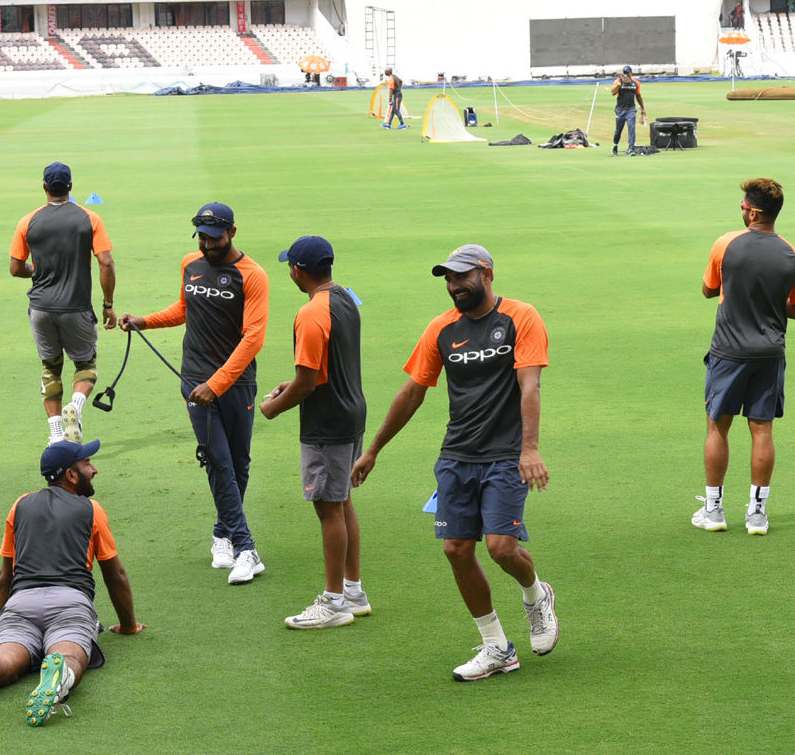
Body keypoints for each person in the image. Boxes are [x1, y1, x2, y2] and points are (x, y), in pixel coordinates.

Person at [350, 245, 558, 681]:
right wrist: (374, 450)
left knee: (501, 547)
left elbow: (530, 386)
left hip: (506, 454)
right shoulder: (442, 329)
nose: (454, 286)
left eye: (461, 277)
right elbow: (412, 392)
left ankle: (536, 595)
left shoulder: (521, 317)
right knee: (456, 549)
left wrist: (530, 448)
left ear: (486, 273)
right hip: (457, 456)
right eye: (448, 279)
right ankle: (496, 647)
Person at [0, 439, 143, 727]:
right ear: (71, 475)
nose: (94, 469)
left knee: (6, 663)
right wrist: (128, 625)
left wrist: (5, 625)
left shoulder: (20, 505)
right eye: (87, 464)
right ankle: (59, 678)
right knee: (69, 654)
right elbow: (115, 575)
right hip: (70, 603)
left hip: (20, 604)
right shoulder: (91, 509)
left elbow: (5, 577)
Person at [119, 202, 269, 585]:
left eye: (214, 238)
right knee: (217, 461)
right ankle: (246, 548)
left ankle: (222, 535)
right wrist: (145, 321)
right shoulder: (191, 263)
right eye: (202, 237)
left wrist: (216, 383)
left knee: (238, 463)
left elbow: (253, 339)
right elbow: (186, 308)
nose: (207, 244)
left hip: (236, 384)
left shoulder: (252, 276)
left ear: (232, 233)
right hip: (193, 382)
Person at [693, 179, 795, 536]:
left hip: (728, 352)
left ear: (752, 212)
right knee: (762, 429)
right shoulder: (794, 254)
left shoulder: (726, 244)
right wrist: (774, 304)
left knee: (717, 424)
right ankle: (757, 514)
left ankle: (714, 510)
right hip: (770, 354)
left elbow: (708, 289)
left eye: (743, 205)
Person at [260, 236, 369, 629]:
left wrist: (273, 406)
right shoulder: (343, 299)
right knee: (342, 502)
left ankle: (334, 602)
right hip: (351, 411)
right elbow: (321, 370)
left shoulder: (309, 314)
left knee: (328, 507)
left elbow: (308, 382)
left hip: (327, 422)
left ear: (297, 271)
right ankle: (353, 592)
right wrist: (288, 387)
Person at [10, 162, 116, 446]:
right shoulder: (89, 218)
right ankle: (76, 406)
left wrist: (36, 271)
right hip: (76, 308)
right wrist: (108, 304)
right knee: (85, 364)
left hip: (41, 309)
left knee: (50, 368)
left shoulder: (28, 221)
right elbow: (106, 262)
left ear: (44, 187)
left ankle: (56, 434)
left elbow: (15, 268)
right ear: (70, 187)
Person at [609, 66, 645, 156]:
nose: (626, 74)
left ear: (631, 73)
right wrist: (621, 84)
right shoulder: (618, 81)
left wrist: (643, 109)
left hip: (631, 109)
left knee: (631, 129)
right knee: (618, 130)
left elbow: (638, 96)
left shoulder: (636, 83)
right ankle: (615, 145)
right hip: (620, 109)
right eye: (624, 72)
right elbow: (613, 93)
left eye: (627, 73)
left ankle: (631, 149)